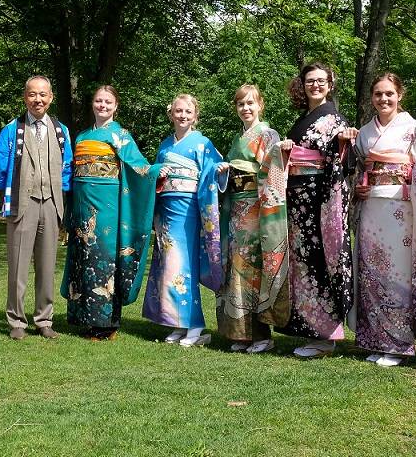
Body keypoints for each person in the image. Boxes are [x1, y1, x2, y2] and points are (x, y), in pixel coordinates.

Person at [349, 73, 416, 367]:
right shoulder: (364, 132)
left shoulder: (415, 129)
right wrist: (359, 184)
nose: (384, 99)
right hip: (372, 210)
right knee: (372, 274)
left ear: (400, 95)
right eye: (378, 94)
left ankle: (398, 343)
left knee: (397, 276)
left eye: (389, 93)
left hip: (400, 209)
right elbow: (356, 169)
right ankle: (376, 340)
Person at [61, 86, 161, 341]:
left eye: (108, 102)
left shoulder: (121, 136)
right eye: (98, 101)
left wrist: (156, 170)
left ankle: (106, 323)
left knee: (104, 257)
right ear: (92, 104)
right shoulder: (82, 136)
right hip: (83, 202)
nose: (102, 106)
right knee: (83, 256)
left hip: (107, 204)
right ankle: (84, 318)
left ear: (116, 106)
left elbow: (138, 167)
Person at [276, 62, 355, 358]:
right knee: (303, 264)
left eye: (321, 81)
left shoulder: (335, 120)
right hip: (298, 198)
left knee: (321, 261)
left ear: (330, 84)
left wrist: (344, 144)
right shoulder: (303, 119)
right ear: (303, 84)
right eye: (310, 81)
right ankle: (311, 330)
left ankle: (326, 336)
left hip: (319, 198)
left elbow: (343, 160)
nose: (316, 85)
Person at [0, 75, 73, 340]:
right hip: (21, 202)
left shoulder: (61, 131)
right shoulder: (11, 130)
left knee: (47, 265)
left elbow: (68, 166)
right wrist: (8, 197)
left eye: (43, 94)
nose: (37, 99)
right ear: (25, 97)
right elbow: (1, 166)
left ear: (50, 97)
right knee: (17, 266)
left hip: (50, 203)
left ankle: (44, 319)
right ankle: (16, 321)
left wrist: (59, 193)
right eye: (32, 94)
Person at [215, 85, 290, 354]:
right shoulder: (238, 138)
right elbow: (234, 173)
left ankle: (261, 334)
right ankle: (241, 333)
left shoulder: (268, 135)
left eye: (250, 103)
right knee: (236, 269)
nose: (245, 109)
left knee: (253, 269)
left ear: (260, 105)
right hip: (236, 209)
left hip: (257, 209)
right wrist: (225, 171)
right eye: (240, 104)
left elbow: (272, 172)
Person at [144, 94, 223, 347]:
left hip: (189, 210)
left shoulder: (202, 143)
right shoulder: (165, 145)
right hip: (166, 210)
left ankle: (195, 324)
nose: (183, 115)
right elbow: (154, 173)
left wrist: (219, 171)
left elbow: (214, 169)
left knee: (184, 266)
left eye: (188, 111)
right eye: (178, 111)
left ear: (195, 115)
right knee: (168, 266)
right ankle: (177, 323)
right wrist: (158, 173)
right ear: (171, 114)